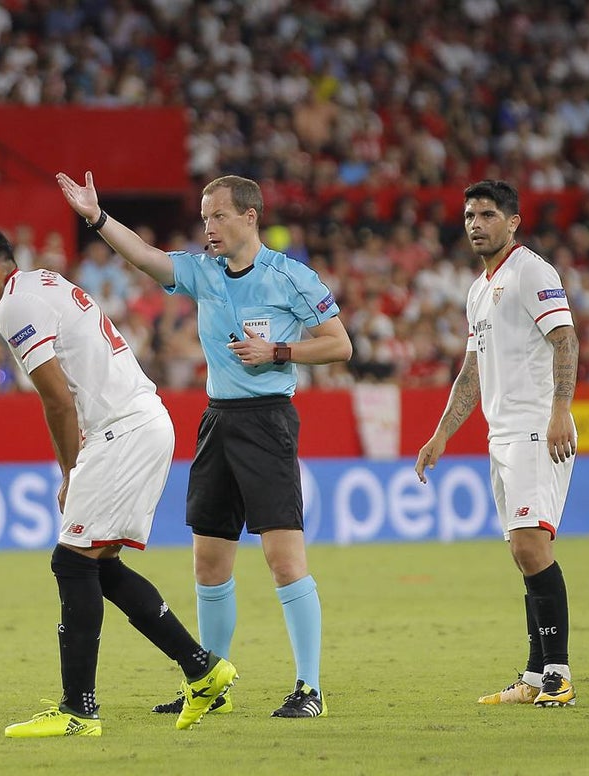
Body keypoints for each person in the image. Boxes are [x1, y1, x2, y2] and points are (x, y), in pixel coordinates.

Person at [57, 171, 353, 719]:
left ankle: (309, 689)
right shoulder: (203, 273)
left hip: (268, 422)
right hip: (217, 422)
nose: (208, 227)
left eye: (218, 216)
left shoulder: (291, 278)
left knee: (284, 562)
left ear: (249, 217)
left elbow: (340, 345)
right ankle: (211, 681)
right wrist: (96, 218)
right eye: (204, 217)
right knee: (209, 564)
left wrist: (278, 353)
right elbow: (145, 256)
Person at [0, 226, 237, 737]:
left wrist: (70, 471)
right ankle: (203, 669)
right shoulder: (43, 282)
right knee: (98, 565)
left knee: (70, 561)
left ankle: (78, 710)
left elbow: (56, 399)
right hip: (140, 419)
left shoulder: (14, 306)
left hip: (122, 429)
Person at [415, 180, 579, 708]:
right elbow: (472, 371)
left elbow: (565, 340)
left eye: (487, 214)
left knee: (533, 547)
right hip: (501, 434)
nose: (475, 223)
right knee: (521, 552)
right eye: (469, 214)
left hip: (537, 427)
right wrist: (442, 432)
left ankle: (558, 674)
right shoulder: (478, 290)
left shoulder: (532, 272)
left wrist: (560, 412)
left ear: (513, 222)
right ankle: (535, 676)